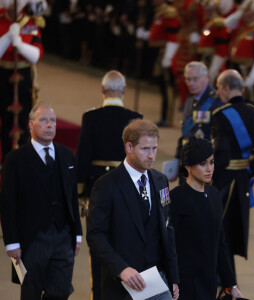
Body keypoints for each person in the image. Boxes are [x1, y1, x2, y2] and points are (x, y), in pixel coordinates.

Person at [86, 119, 179, 300]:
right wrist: (121, 269)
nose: (151, 155)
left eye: (154, 148)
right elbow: (95, 235)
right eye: (145, 149)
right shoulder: (106, 185)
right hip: (122, 286)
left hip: (158, 281)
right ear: (129, 147)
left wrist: (173, 277)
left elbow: (167, 229)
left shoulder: (161, 181)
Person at [0, 102, 82, 299]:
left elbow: (72, 196)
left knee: (60, 291)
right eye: (43, 120)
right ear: (30, 124)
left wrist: (77, 234)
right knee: (31, 293)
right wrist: (11, 242)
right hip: (32, 239)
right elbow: (7, 203)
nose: (49, 125)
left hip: (63, 236)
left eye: (52, 120)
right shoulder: (15, 159)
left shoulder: (65, 155)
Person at [76, 70, 142, 300]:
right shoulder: (136, 117)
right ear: (124, 91)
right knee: (129, 242)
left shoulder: (91, 117)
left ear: (103, 90)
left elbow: (83, 156)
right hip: (129, 186)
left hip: (97, 187)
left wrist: (80, 191)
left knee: (99, 244)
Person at [212, 69, 254, 277]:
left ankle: (224, 284)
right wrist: (245, 173)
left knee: (219, 235)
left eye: (219, 87)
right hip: (243, 184)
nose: (218, 91)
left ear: (227, 88)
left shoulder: (222, 116)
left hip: (223, 185)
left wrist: (210, 184)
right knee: (232, 233)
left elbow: (221, 157)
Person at [170, 137, 244, 300]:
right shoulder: (176, 198)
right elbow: (169, 244)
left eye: (211, 162)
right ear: (188, 166)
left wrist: (231, 285)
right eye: (202, 164)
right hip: (184, 285)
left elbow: (220, 244)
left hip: (209, 283)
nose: (209, 169)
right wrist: (172, 281)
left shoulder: (214, 195)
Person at [0, 0, 45, 165]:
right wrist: (7, 38)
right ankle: (6, 159)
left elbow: (37, 53)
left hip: (24, 76)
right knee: (5, 119)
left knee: (26, 119)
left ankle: (22, 161)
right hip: (3, 75)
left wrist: (19, 43)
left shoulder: (30, 24)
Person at [169, 61, 222, 183]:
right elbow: (184, 136)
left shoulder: (216, 102)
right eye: (187, 79)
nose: (190, 83)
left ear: (206, 78)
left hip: (204, 167)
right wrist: (177, 160)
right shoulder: (190, 101)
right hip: (188, 162)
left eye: (195, 79)